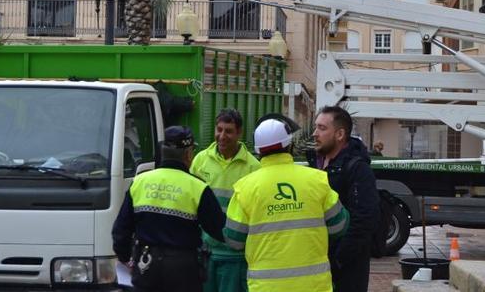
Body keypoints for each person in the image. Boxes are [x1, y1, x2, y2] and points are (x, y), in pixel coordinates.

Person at [224, 116, 349, 292]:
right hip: (314, 286)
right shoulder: (316, 180)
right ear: (289, 146)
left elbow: (234, 239)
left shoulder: (245, 188)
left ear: (259, 152)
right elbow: (339, 225)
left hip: (266, 287)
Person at [112, 126, 225, 292]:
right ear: (188, 154)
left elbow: (120, 230)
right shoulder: (198, 188)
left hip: (146, 265)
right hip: (183, 270)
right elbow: (219, 229)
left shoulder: (139, 182)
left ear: (162, 152)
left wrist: (126, 258)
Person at [190, 109, 262, 292]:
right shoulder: (200, 161)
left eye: (228, 131)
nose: (222, 136)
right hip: (205, 253)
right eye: (219, 129)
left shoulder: (253, 167)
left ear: (239, 133)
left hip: (235, 257)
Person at [311, 106, 380, 292]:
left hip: (346, 272)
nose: (315, 133)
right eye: (316, 127)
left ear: (340, 134)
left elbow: (364, 220)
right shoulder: (314, 165)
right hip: (318, 268)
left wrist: (338, 259)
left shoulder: (358, 169)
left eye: (322, 128)